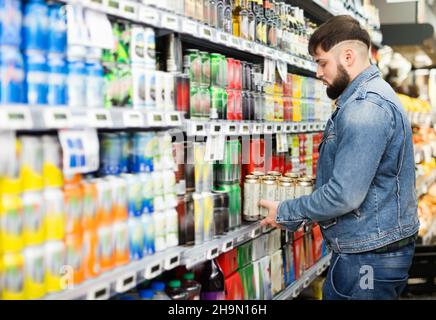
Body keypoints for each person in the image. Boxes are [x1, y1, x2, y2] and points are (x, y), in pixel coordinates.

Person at [259, 15, 419, 300]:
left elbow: (344, 195)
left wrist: (286, 211)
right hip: (375, 251)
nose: (318, 72)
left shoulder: (365, 108)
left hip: (366, 259)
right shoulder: (372, 96)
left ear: (347, 56)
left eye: (322, 62)